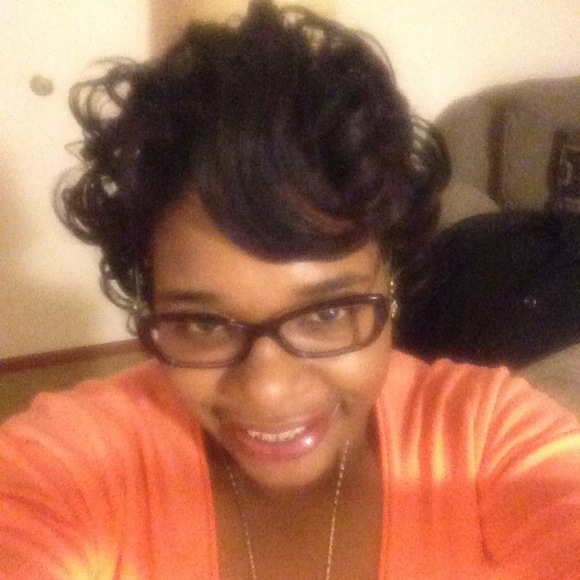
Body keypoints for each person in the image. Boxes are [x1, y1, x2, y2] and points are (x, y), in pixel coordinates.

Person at [1, 1, 579, 578]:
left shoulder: (487, 436)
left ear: (392, 286)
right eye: (204, 324)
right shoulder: (72, 461)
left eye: (326, 314)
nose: (268, 391)